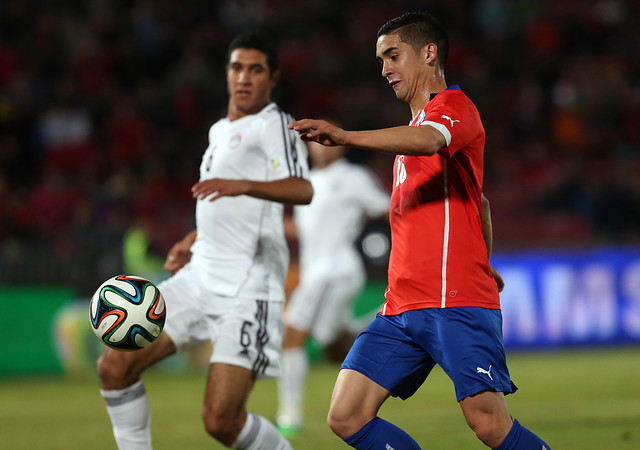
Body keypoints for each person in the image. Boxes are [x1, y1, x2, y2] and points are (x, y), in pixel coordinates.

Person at [289, 11, 551, 450]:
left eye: (393, 55)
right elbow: (479, 201)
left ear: (429, 53)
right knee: (346, 416)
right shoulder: (411, 131)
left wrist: (347, 137)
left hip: (454, 300)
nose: (385, 69)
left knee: (488, 424)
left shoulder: (453, 108)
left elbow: (430, 140)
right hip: (402, 305)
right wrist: (485, 259)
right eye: (380, 61)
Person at [97, 31, 312, 450]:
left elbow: (301, 190)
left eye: (256, 69)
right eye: (237, 67)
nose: (244, 77)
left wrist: (242, 183)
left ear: (273, 78)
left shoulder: (275, 127)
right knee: (114, 366)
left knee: (220, 421)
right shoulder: (218, 131)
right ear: (227, 73)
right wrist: (193, 239)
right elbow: (225, 204)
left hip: (248, 290)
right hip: (199, 277)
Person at [276, 140, 390, 435]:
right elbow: (304, 230)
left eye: (326, 140)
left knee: (291, 336)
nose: (321, 146)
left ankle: (290, 417)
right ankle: (384, 323)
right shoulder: (307, 182)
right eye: (314, 141)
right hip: (318, 273)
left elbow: (386, 207)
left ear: (338, 145)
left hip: (334, 271)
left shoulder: (353, 177)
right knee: (334, 348)